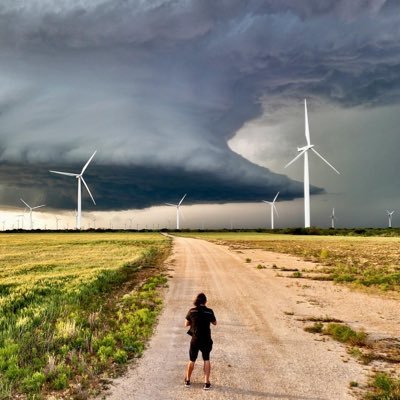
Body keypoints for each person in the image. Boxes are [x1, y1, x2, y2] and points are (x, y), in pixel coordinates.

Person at [184, 292, 217, 390]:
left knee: (192, 359)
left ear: (196, 301)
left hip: (195, 339)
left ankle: (188, 380)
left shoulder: (192, 311)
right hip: (206, 339)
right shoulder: (209, 311)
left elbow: (186, 324)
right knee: (206, 359)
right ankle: (206, 383)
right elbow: (215, 323)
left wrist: (194, 323)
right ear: (205, 301)